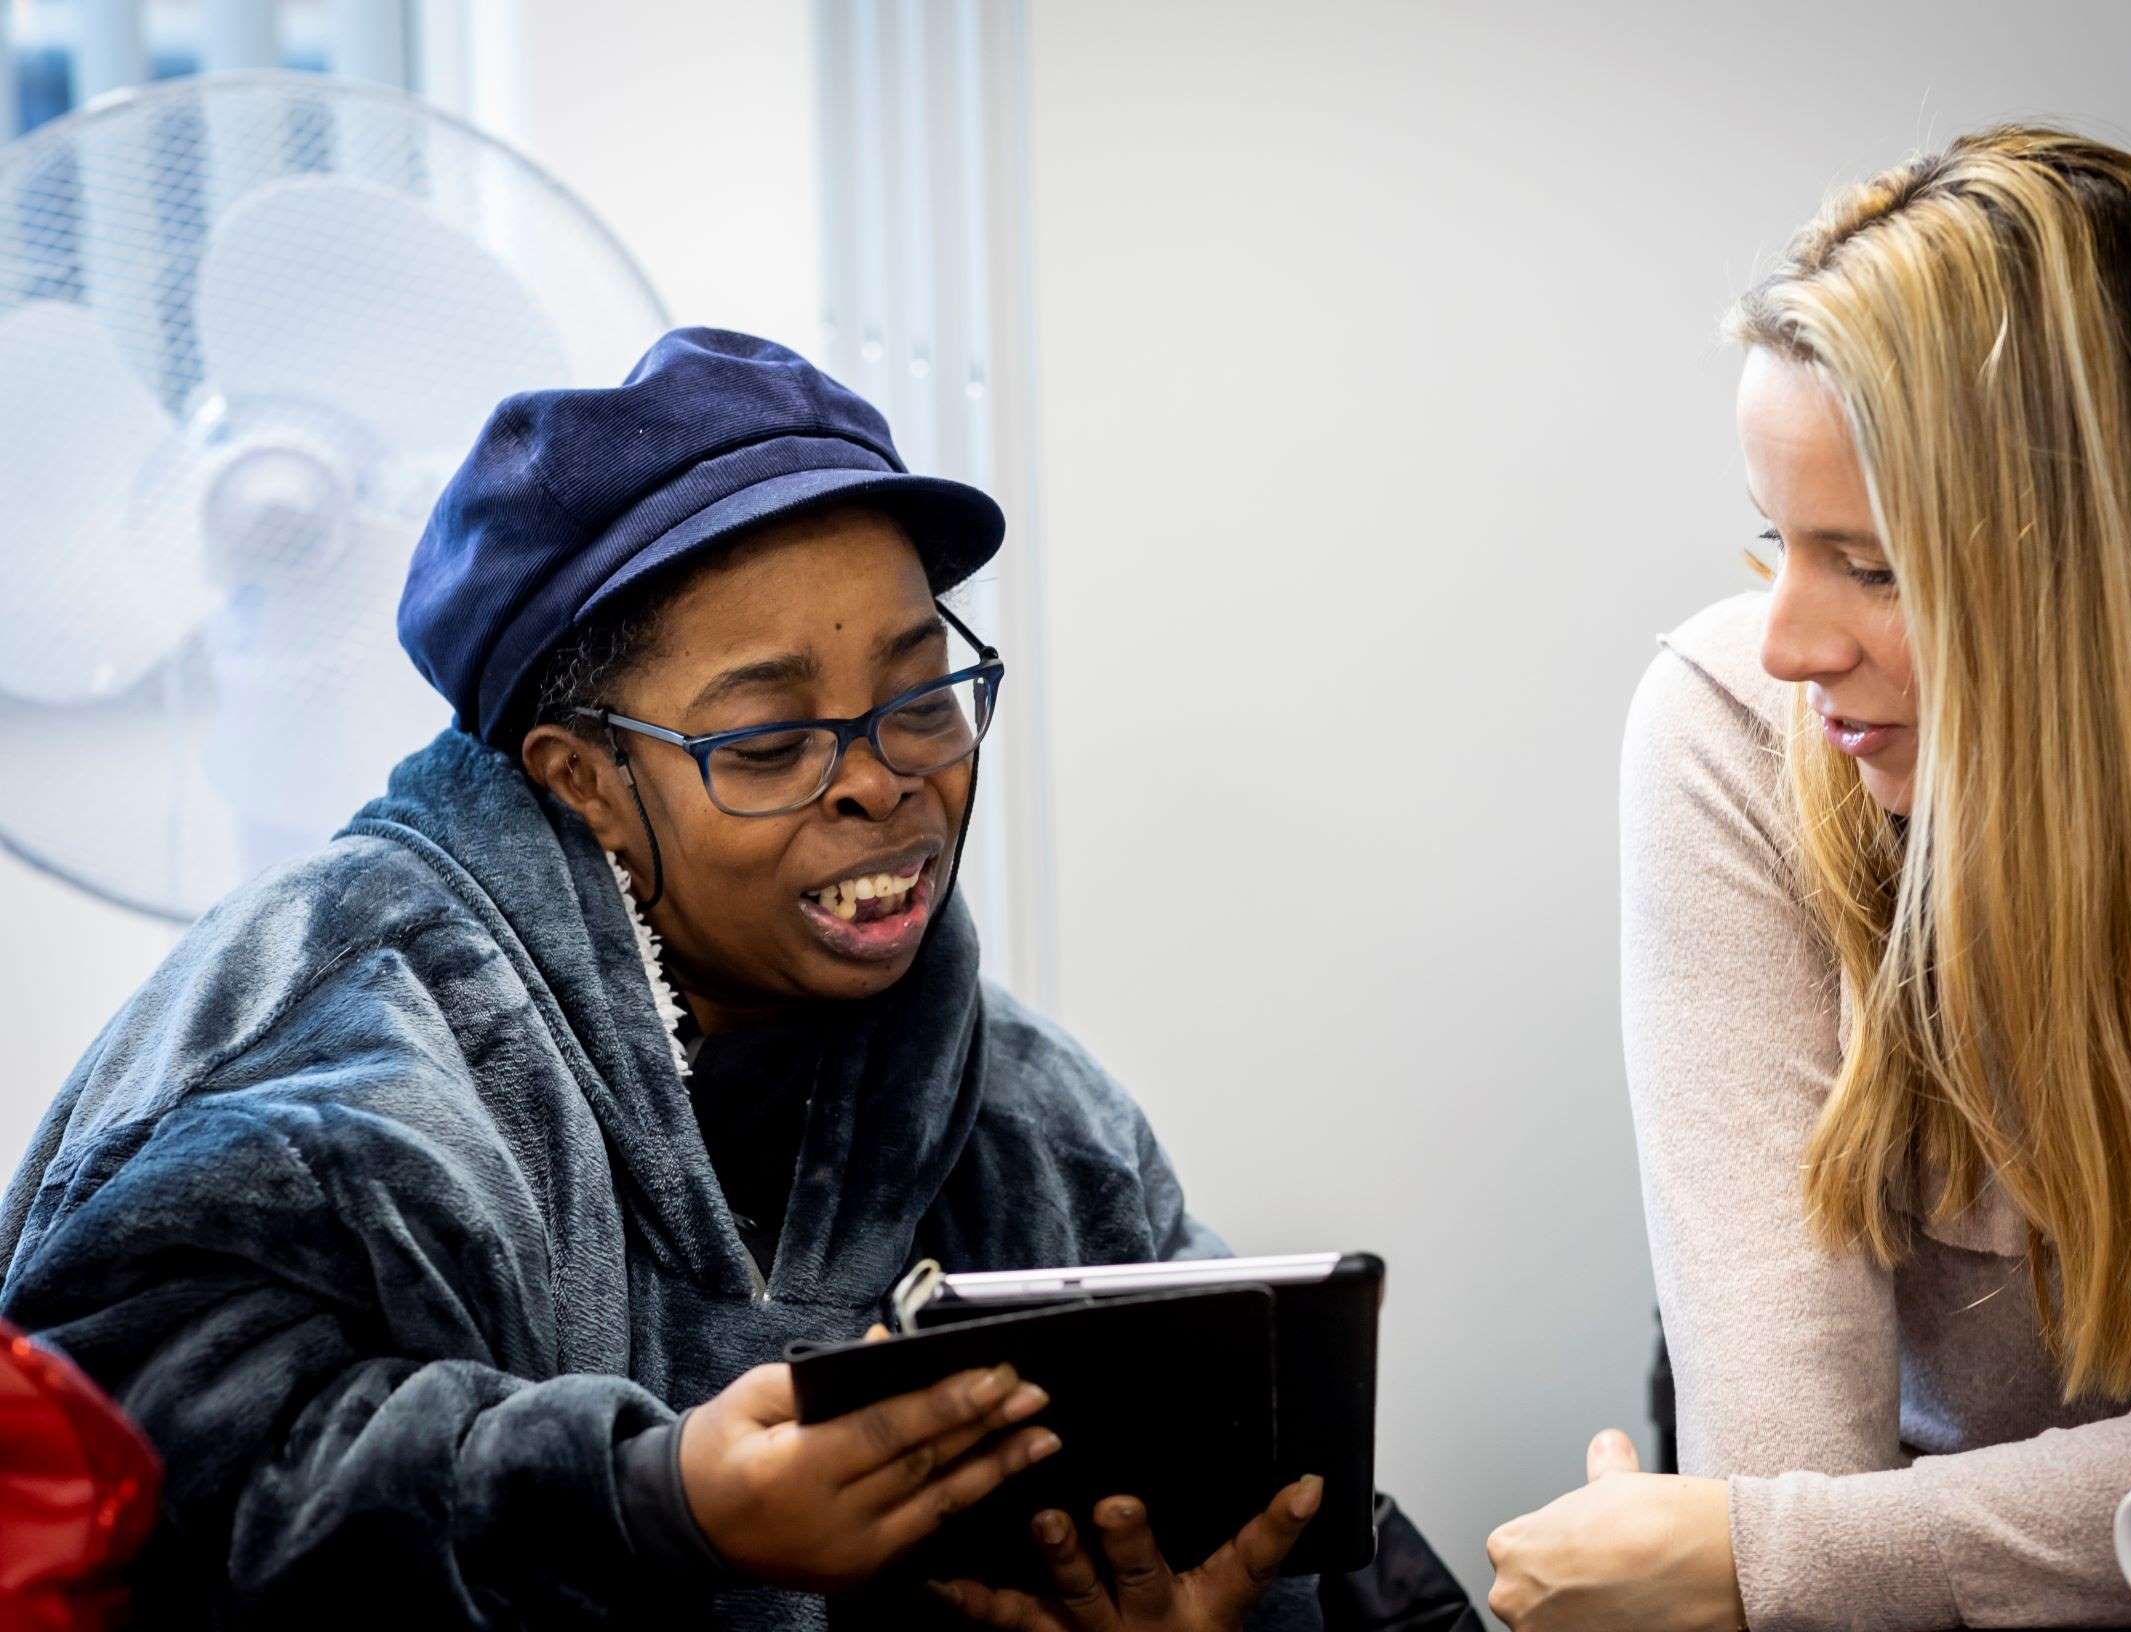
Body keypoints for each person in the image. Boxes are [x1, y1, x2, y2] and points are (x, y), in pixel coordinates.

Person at [0, 330, 1470, 1630]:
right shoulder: (345, 1039)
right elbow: (135, 1473)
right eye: (769, 744)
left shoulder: (1032, 1118)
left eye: (918, 698)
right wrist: (649, 1501)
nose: (883, 784)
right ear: (576, 782)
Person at [1486, 126, 2131, 1631]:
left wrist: (1759, 1559)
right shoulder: (1734, 730)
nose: (1795, 643)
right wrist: (1779, 1553)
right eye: (1775, 547)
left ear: (2122, 577)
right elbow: (1787, 1456)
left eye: (1876, 569)